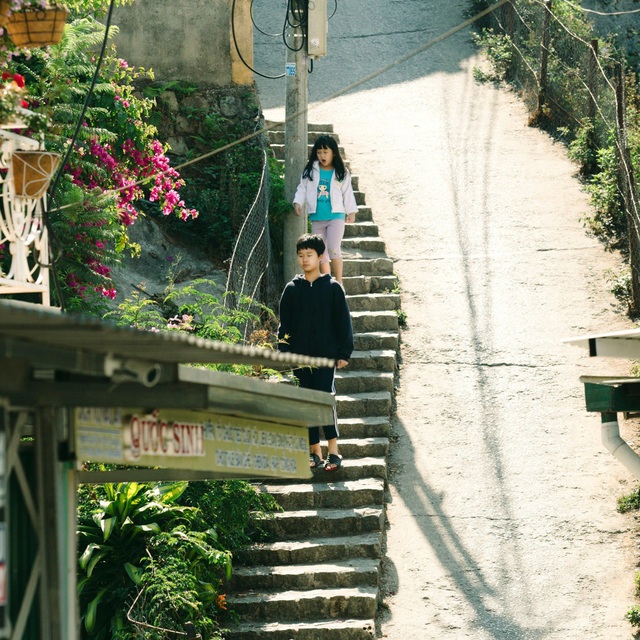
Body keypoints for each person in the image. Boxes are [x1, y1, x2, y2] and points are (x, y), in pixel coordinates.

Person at [278, 233, 354, 471]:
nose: (304, 259)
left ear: (320, 256)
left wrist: (343, 353)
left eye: (309, 255)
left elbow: (343, 322)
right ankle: (314, 451)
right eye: (300, 255)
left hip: (325, 355)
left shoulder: (332, 288)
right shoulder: (292, 289)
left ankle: (334, 450)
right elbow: (285, 324)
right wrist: (284, 350)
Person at [293, 135, 358, 284]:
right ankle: (327, 283)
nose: (322, 155)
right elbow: (302, 188)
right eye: (319, 152)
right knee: (321, 252)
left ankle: (339, 283)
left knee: (334, 248)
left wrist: (351, 212)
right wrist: (298, 202)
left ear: (333, 153)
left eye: (325, 152)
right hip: (317, 217)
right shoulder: (310, 170)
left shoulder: (341, 172)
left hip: (336, 216)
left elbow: (347, 193)